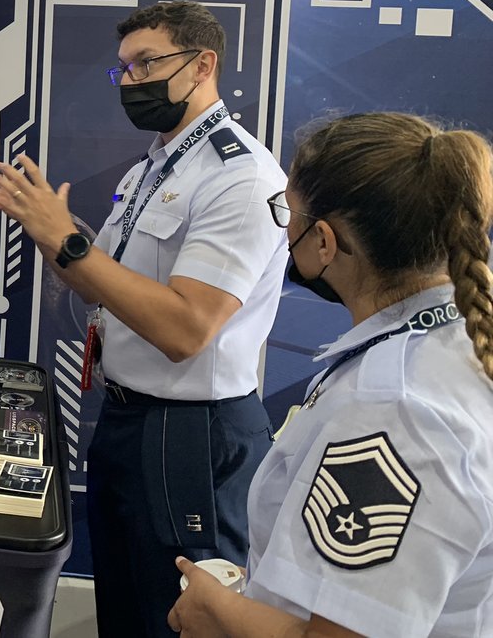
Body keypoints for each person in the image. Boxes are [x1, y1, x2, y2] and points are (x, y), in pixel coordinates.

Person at [0, 0, 287, 638]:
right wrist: (48, 236)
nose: (132, 81)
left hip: (190, 432)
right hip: (127, 416)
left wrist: (69, 243)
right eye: (123, 69)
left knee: (177, 617)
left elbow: (184, 330)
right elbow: (111, 286)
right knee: (123, 604)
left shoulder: (239, 177)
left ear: (204, 65)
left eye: (148, 63)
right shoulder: (155, 164)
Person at [167, 112, 493, 637]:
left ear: (324, 241)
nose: (285, 226)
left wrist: (214, 611)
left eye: (287, 213)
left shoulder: (399, 411)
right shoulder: (449, 345)